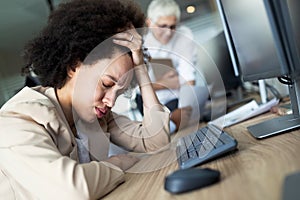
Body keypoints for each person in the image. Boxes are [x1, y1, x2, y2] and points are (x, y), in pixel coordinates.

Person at [0, 0, 171, 199]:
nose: (111, 101)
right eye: (107, 84)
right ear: (73, 66)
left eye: (119, 91)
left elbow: (156, 140)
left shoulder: (93, 117)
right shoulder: (15, 122)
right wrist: (118, 165)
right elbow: (71, 190)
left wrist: (140, 67)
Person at [135, 0, 198, 132]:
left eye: (173, 26)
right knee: (161, 131)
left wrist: (185, 109)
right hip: (149, 100)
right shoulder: (140, 42)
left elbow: (188, 77)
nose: (168, 32)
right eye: (162, 26)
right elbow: (135, 87)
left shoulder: (184, 35)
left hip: (176, 98)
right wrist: (163, 84)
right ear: (149, 22)